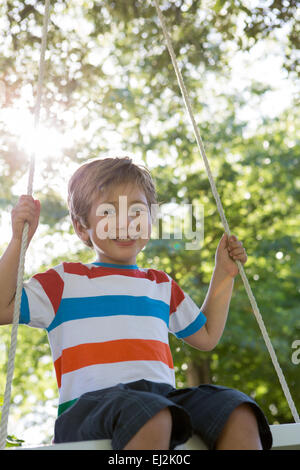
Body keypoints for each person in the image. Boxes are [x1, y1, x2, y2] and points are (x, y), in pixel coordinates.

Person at [0, 156, 272, 450]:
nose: (125, 223)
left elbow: (205, 337)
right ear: (82, 228)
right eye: (108, 211)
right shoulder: (65, 281)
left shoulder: (160, 284)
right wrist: (19, 241)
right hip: (90, 409)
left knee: (237, 409)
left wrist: (224, 274)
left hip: (162, 403)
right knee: (151, 413)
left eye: (137, 211)